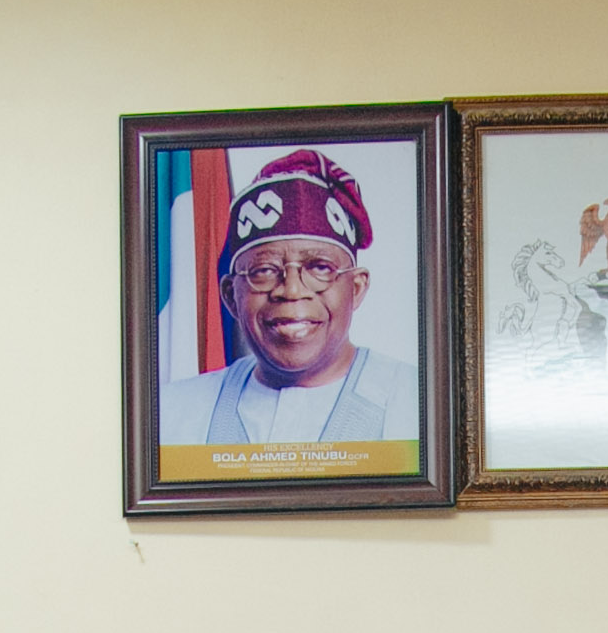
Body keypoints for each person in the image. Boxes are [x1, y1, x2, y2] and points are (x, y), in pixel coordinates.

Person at [161, 148, 422, 449]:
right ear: (231, 296)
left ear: (356, 288)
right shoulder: (171, 414)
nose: (292, 290)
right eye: (264, 270)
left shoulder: (419, 403)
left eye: (320, 268)